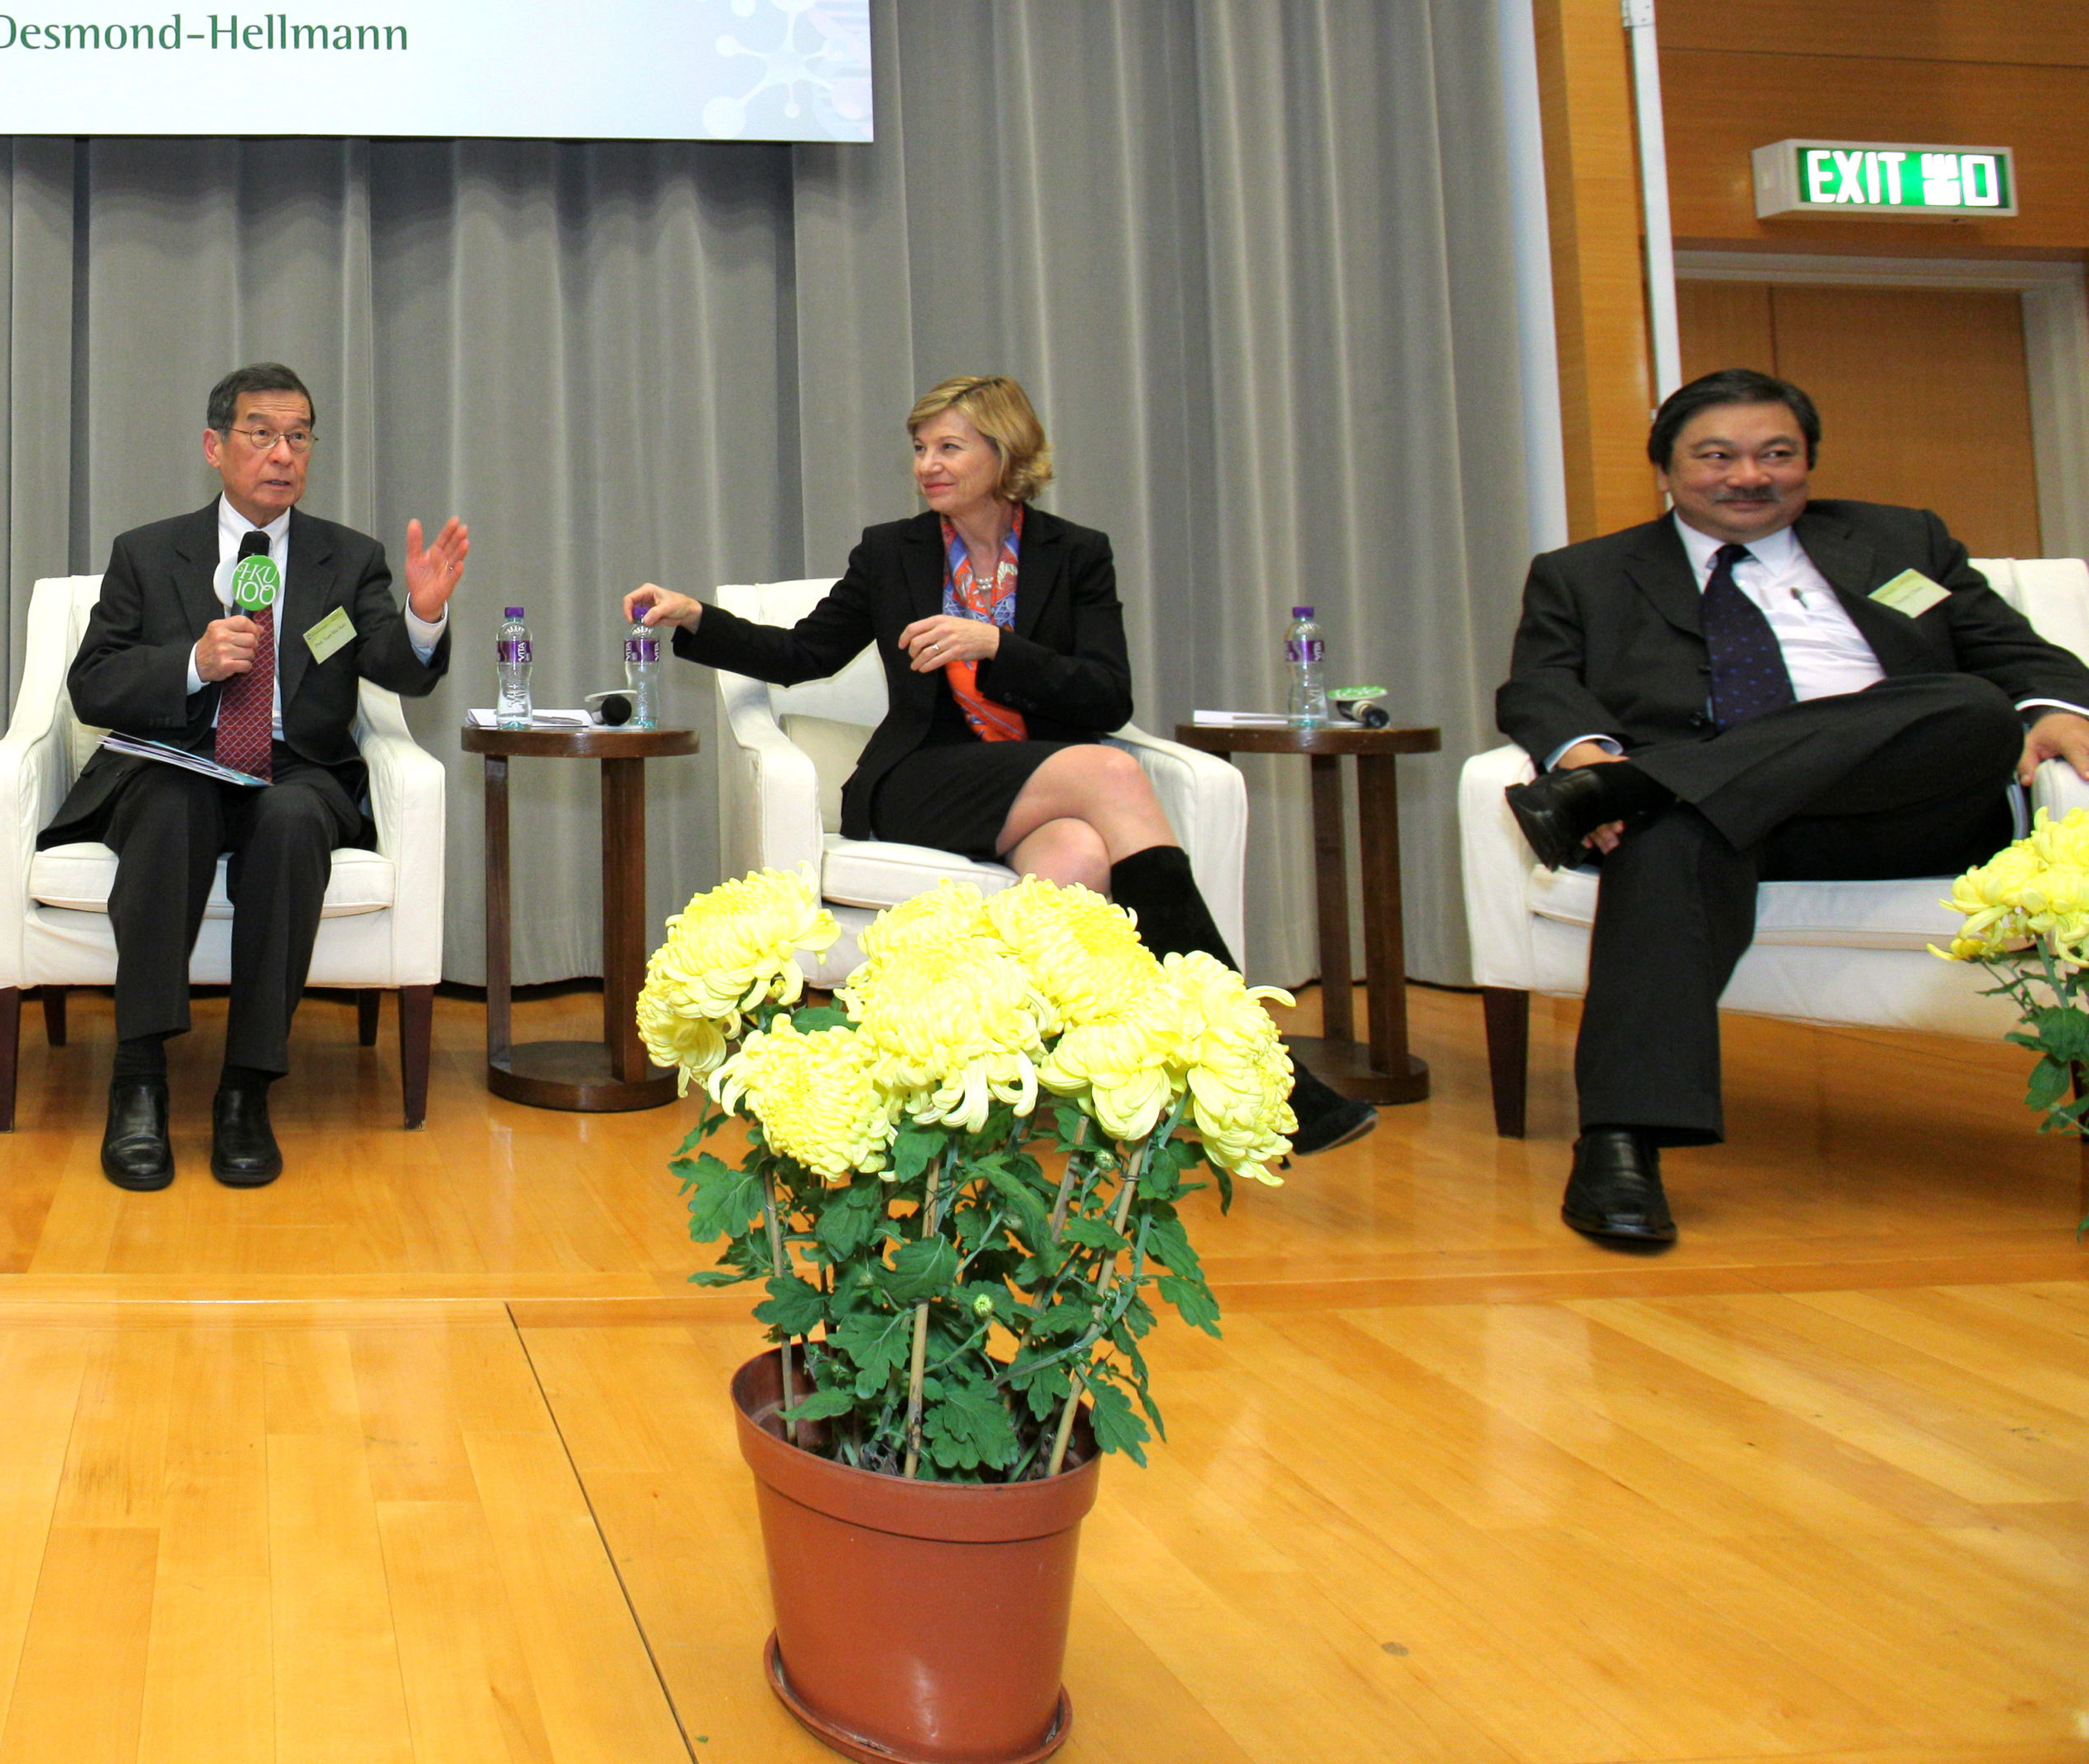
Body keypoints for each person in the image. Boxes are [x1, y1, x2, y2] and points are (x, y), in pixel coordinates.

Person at [624, 372, 1376, 1154]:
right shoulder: (891, 552)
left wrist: (996, 645)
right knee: (1114, 774)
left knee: (1079, 858)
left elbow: (1107, 695)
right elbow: (801, 655)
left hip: (1033, 782)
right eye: (921, 449)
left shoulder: (1076, 554)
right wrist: (698, 618)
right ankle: (1251, 1048)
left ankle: (1036, 1099)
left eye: (949, 447)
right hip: (920, 779)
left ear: (1004, 452)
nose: (928, 465)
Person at [1493, 367, 2089, 1251]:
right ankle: (1621, 1144)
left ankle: (1648, 786)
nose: (1749, 476)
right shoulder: (1586, 574)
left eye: (1776, 454)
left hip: (1905, 809)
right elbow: (1539, 687)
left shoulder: (1900, 542)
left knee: (1970, 706)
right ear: (1666, 468)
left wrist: (2059, 709)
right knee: (1668, 839)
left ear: (1809, 460)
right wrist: (1586, 754)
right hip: (1725, 828)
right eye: (1717, 456)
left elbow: (2016, 654)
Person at [41, 362, 465, 1193]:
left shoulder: (349, 560)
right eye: (261, 433)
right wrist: (191, 664)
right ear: (215, 446)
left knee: (293, 822)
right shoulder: (147, 552)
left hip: (292, 769)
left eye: (298, 437)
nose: (282, 454)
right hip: (174, 758)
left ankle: (246, 1087)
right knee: (171, 809)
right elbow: (92, 685)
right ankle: (138, 1080)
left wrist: (422, 616)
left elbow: (395, 666)